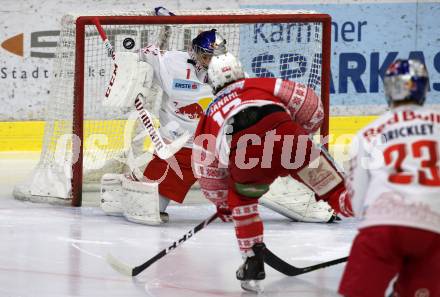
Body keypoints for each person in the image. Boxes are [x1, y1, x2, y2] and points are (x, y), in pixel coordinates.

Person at [100, 27, 337, 225]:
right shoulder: (170, 62)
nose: (211, 61)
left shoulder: (234, 73)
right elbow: (134, 59)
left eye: (217, 55)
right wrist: (128, 71)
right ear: (194, 52)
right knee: (146, 208)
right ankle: (124, 188)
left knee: (275, 182)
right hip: (181, 149)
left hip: (224, 148)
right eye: (206, 56)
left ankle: (322, 202)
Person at [192, 52, 353, 291]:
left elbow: (206, 167)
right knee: (336, 191)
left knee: (242, 198)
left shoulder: (211, 112)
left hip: (247, 157)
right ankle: (383, 220)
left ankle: (252, 261)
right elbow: (312, 106)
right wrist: (299, 138)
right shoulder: (261, 84)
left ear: (213, 82)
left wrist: (223, 202)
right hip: (288, 137)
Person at [338, 59, 440, 297]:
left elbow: (357, 200)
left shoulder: (369, 132)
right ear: (423, 88)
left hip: (383, 227)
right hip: (433, 227)